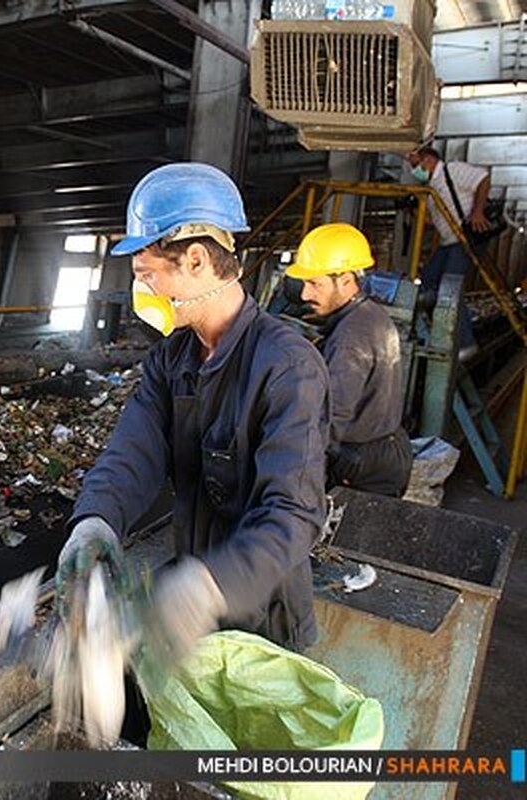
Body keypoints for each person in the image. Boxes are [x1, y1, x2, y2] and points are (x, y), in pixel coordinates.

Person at [56, 163, 329, 675]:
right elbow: (133, 451)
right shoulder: (171, 359)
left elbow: (293, 513)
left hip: (263, 618)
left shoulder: (286, 365)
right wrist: (95, 521)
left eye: (147, 273)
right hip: (191, 598)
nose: (142, 290)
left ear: (197, 260)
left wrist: (209, 586)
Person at [287, 223, 412, 497]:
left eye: (314, 283)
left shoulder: (351, 337)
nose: (305, 294)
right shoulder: (371, 315)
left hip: (361, 466)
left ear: (345, 280)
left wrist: (290, 474)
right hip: (384, 450)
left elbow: (332, 417)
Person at [405, 146, 494, 354]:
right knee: (428, 281)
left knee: (450, 289)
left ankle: (465, 343)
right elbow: (433, 221)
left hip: (463, 240)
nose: (414, 169)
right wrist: (414, 212)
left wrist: (478, 212)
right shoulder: (432, 188)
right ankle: (436, 326)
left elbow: (483, 179)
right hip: (448, 242)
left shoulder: (451, 171)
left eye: (415, 163)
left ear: (428, 159)